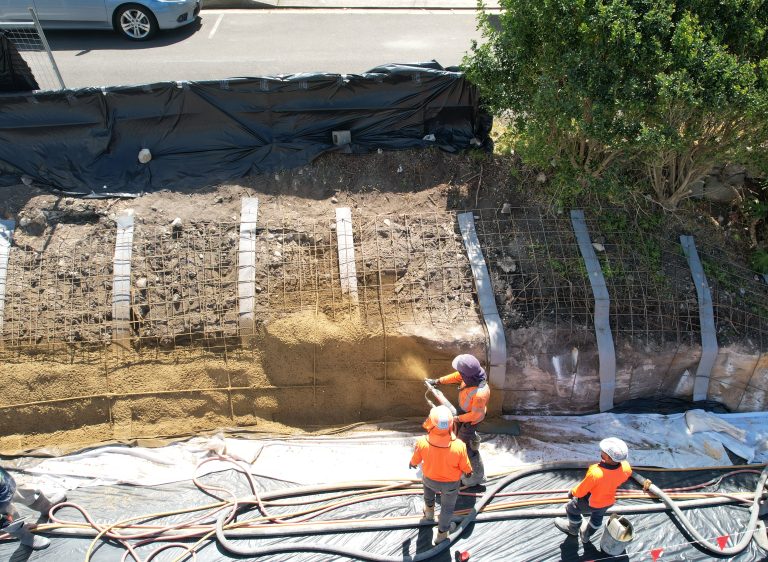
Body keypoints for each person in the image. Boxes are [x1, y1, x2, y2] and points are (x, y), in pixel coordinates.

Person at [409, 405, 473, 545]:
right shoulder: (459, 446)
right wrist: (468, 472)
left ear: (432, 424)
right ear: (451, 425)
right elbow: (465, 466)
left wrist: (412, 463)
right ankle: (442, 534)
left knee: (428, 494)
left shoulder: (422, 442)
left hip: (429, 479)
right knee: (447, 509)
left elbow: (416, 459)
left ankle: (429, 514)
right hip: (450, 485)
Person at [426, 353, 490, 486]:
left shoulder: (480, 393)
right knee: (459, 441)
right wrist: (438, 381)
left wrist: (457, 418)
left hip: (471, 421)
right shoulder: (471, 376)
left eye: (462, 372)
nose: (460, 374)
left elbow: (475, 415)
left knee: (462, 445)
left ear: (468, 375)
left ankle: (474, 475)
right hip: (464, 413)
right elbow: (457, 376)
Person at [554, 438, 632, 543]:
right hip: (608, 501)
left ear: (608, 457)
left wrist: (572, 492)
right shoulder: (626, 468)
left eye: (603, 451)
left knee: (571, 509)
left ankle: (572, 530)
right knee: (597, 517)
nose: (601, 451)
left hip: (590, 502)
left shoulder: (596, 473)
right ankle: (586, 536)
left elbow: (581, 491)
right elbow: (618, 478)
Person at [0, 466, 66, 550]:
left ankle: (46, 506)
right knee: (8, 514)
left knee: (21, 489)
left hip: (3, 480)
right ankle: (24, 536)